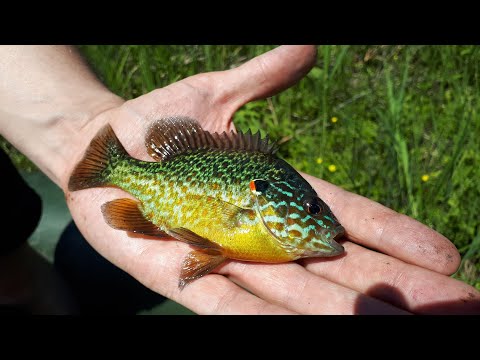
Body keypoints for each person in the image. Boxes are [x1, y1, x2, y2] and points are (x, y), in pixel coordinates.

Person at [0, 45, 478, 315]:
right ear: (260, 200)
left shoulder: (269, 213)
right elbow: (217, 240)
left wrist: (72, 122)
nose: (324, 221)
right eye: (311, 209)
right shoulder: (249, 207)